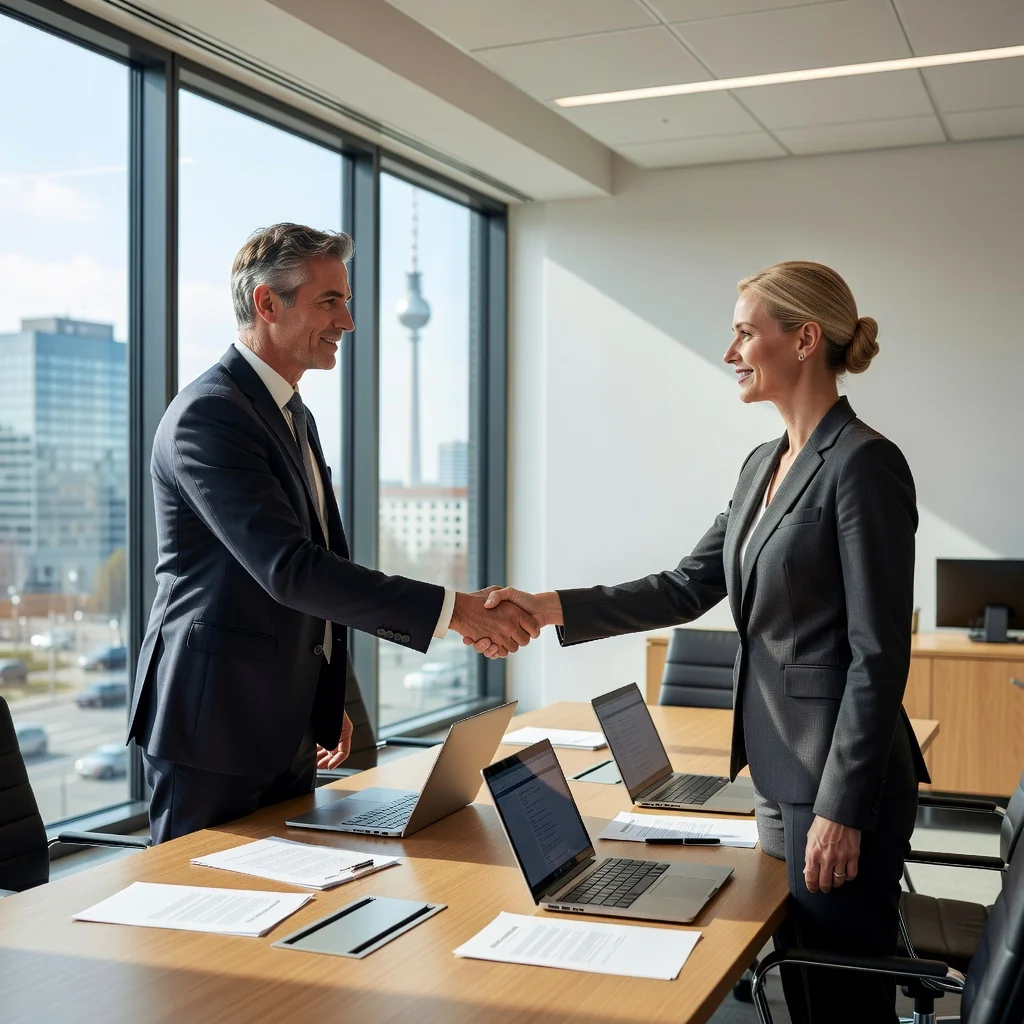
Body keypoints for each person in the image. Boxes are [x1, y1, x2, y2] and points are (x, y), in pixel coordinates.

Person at [474, 261, 929, 1023]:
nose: (731, 353)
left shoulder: (863, 465)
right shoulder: (762, 466)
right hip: (781, 778)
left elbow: (877, 654)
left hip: (844, 788)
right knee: (806, 984)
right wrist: (549, 605)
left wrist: (842, 809)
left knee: (845, 1003)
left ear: (806, 338)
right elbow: (686, 583)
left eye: (746, 333)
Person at [128, 222, 537, 844]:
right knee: (203, 920)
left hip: (282, 721)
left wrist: (326, 697)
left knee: (286, 909)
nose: (347, 321)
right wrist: (458, 613)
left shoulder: (293, 412)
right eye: (329, 301)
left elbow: (318, 563)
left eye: (345, 302)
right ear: (267, 303)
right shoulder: (209, 416)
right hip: (213, 727)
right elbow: (291, 570)